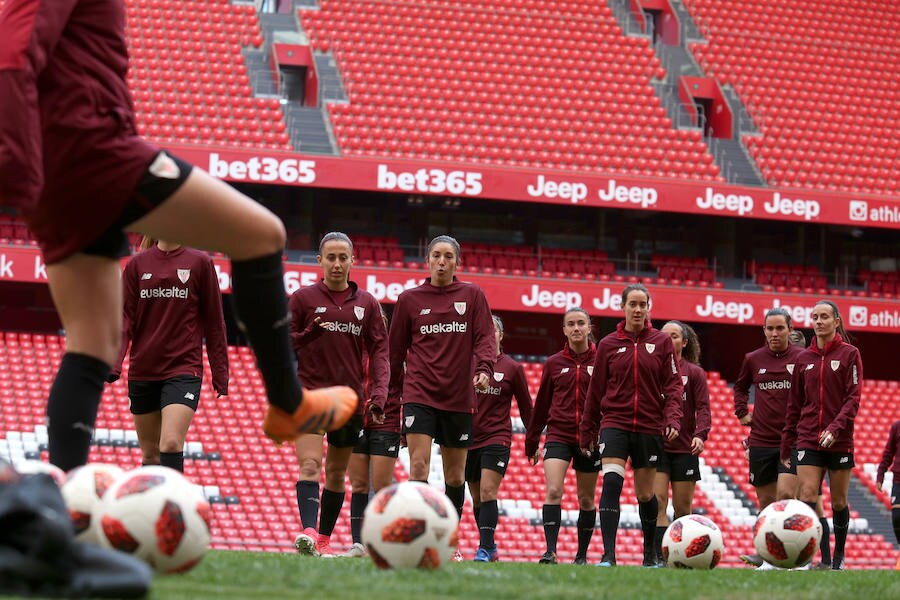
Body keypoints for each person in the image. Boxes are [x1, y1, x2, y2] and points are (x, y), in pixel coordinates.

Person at [0, 0, 356, 472]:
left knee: (92, 343)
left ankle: (64, 511)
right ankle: (289, 405)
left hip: (62, 168)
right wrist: (15, 160)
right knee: (262, 235)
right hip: (91, 150)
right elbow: (12, 51)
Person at [388, 235, 495, 559]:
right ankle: (417, 540)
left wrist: (485, 368)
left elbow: (485, 338)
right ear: (428, 260)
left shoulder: (472, 295)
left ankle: (447, 541)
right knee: (418, 466)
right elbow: (395, 353)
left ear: (457, 262)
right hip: (420, 391)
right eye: (436, 255)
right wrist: (392, 397)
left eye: (448, 256)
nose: (442, 261)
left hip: (459, 396)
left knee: (454, 476)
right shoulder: (409, 299)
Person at [288, 233, 388, 558]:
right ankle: (306, 533)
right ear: (319, 260)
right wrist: (307, 335)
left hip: (350, 402)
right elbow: (283, 344)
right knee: (310, 464)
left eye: (343, 257)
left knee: (335, 474)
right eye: (330, 257)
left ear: (352, 261)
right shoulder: (302, 299)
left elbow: (381, 352)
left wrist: (379, 395)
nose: (336, 263)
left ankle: (323, 540)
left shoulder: (368, 304)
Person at [579, 283, 683, 568]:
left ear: (648, 308)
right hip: (615, 422)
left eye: (642, 304)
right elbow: (596, 389)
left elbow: (674, 386)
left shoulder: (662, 342)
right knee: (611, 482)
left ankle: (649, 554)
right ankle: (608, 555)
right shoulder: (608, 344)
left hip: (650, 426)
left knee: (645, 494)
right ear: (623, 307)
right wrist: (587, 429)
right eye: (632, 304)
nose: (637, 309)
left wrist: (673, 418)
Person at [109, 237, 228, 473]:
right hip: (143, 369)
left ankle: (175, 507)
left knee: (171, 443)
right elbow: (123, 320)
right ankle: (153, 509)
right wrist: (114, 363)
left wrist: (220, 373)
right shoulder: (136, 265)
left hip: (183, 368)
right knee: (151, 454)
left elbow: (215, 320)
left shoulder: (200, 262)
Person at [734, 307, 831, 569]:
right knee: (766, 503)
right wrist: (742, 412)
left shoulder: (803, 358)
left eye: (780, 328)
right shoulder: (753, 359)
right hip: (761, 440)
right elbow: (740, 387)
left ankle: (798, 557)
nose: (775, 333)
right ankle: (770, 558)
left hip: (794, 439)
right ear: (764, 331)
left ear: (790, 329)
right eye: (770, 328)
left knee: (786, 497)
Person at [782, 300, 862, 571]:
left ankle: (838, 558)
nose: (818, 321)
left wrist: (835, 428)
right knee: (806, 495)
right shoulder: (803, 359)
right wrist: (785, 446)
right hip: (807, 438)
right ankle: (806, 557)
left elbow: (853, 399)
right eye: (815, 316)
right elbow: (794, 404)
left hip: (839, 439)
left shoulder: (850, 354)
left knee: (839, 501)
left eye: (824, 316)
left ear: (836, 321)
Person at [524, 307, 599, 565]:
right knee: (554, 490)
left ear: (589, 327)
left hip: (590, 439)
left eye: (581, 323)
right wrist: (532, 441)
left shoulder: (602, 360)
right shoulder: (554, 363)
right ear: (564, 330)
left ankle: (581, 555)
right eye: (571, 324)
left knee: (586, 498)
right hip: (558, 434)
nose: (576, 328)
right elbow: (542, 404)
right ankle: (551, 551)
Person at [466, 315, 533, 562]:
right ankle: (489, 545)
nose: (488, 334)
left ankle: (484, 548)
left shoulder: (512, 368)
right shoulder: (467, 364)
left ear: (500, 335)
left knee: (487, 490)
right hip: (468, 438)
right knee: (476, 496)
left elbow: (527, 409)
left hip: (497, 437)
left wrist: (533, 442)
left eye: (492, 330)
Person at [652, 321, 710, 566]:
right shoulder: (651, 369)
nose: (668, 340)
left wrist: (700, 434)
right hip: (656, 446)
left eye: (674, 336)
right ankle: (658, 558)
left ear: (684, 342)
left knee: (682, 508)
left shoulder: (695, 373)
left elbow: (703, 409)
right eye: (664, 336)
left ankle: (681, 556)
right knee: (658, 504)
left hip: (685, 448)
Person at [345, 306, 400, 559]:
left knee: (382, 486)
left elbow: (405, 386)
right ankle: (359, 544)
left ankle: (383, 541)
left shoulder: (396, 351)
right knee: (358, 485)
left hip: (386, 422)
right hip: (356, 420)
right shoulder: (352, 350)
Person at [876, 419, 900, 570]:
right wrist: (880, 474)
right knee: (897, 516)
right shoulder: (897, 427)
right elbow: (888, 452)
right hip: (899, 479)